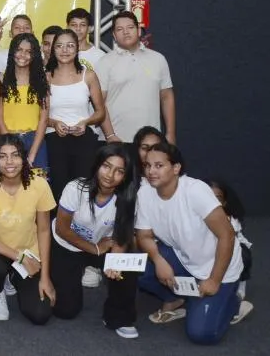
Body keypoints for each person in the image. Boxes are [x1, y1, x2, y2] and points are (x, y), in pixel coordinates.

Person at [137, 143, 245, 344]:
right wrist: (158, 260)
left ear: (176, 168)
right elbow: (143, 235)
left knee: (202, 334)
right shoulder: (145, 193)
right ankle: (177, 298)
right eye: (147, 165)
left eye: (159, 165)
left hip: (218, 269)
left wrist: (214, 280)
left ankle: (234, 300)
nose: (151, 171)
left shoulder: (195, 191)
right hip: (184, 259)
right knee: (138, 266)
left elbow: (227, 236)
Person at [50, 144, 140, 337]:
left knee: (127, 261)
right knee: (65, 311)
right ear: (97, 165)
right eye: (106, 166)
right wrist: (95, 249)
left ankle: (119, 316)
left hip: (101, 244)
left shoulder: (128, 198)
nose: (110, 175)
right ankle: (60, 274)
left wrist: (116, 262)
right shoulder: (75, 188)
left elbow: (123, 235)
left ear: (125, 176)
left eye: (119, 171)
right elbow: (62, 229)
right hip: (66, 244)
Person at [0, 134, 56, 324]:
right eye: (2, 156)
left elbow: (44, 231)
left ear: (24, 158)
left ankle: (13, 277)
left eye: (15, 155)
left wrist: (45, 277)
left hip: (29, 252)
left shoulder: (39, 184)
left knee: (40, 314)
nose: (9, 162)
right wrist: (20, 257)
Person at [96, 10, 175, 144]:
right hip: (116, 140)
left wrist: (170, 134)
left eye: (130, 27)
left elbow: (167, 97)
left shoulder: (158, 59)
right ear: (114, 36)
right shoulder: (105, 62)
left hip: (150, 142)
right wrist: (110, 135)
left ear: (139, 30)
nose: (126, 32)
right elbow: (98, 102)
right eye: (120, 29)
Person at [45, 29, 106, 202]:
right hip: (54, 138)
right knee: (58, 190)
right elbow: (39, 116)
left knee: (84, 190)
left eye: (70, 46)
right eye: (60, 46)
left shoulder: (89, 76)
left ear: (77, 48)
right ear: (53, 49)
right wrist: (55, 123)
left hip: (84, 138)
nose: (65, 50)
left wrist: (85, 122)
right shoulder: (45, 77)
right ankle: (57, 228)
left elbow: (100, 112)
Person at [0, 33, 50, 174]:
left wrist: (32, 154)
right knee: (9, 190)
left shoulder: (42, 81)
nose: (23, 55)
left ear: (34, 55)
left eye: (29, 52)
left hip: (35, 141)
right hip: (7, 140)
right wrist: (11, 146)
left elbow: (44, 119)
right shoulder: (0, 79)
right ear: (12, 51)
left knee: (38, 189)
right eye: (19, 50)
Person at [206, 179, 253, 315]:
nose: (212, 203)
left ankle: (240, 282)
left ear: (224, 202)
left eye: (217, 199)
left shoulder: (229, 219)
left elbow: (228, 241)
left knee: (242, 256)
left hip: (234, 248)